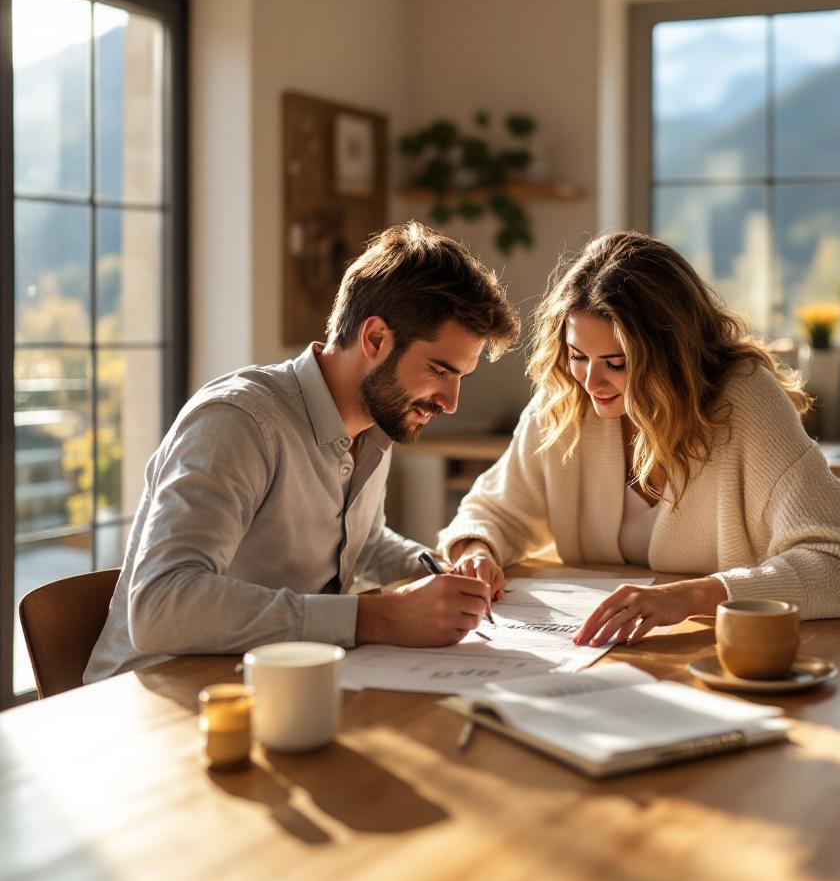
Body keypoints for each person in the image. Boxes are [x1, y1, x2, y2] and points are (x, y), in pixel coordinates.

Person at [85, 222, 520, 682]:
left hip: (276, 684)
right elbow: (161, 607)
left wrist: (440, 573)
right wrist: (380, 618)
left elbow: (362, 543)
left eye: (460, 379)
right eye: (439, 370)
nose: (450, 403)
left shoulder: (376, 422)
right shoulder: (237, 422)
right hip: (151, 700)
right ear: (375, 339)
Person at [438, 231, 840, 649]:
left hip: (719, 653)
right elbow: (492, 512)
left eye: (616, 363)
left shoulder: (745, 402)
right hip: (603, 658)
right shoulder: (566, 401)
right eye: (578, 356)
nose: (592, 380)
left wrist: (692, 597)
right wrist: (477, 551)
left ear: (670, 356)